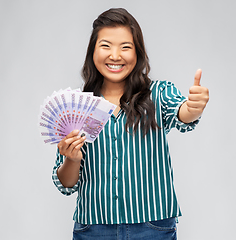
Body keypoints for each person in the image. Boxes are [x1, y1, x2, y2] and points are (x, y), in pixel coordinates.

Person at [52, 8, 209, 240]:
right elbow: (66, 183)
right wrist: (72, 159)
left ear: (138, 53)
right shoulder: (75, 107)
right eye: (106, 45)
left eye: (125, 47)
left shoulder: (158, 93)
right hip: (94, 229)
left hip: (152, 227)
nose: (115, 55)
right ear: (92, 52)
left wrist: (193, 108)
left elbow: (181, 112)